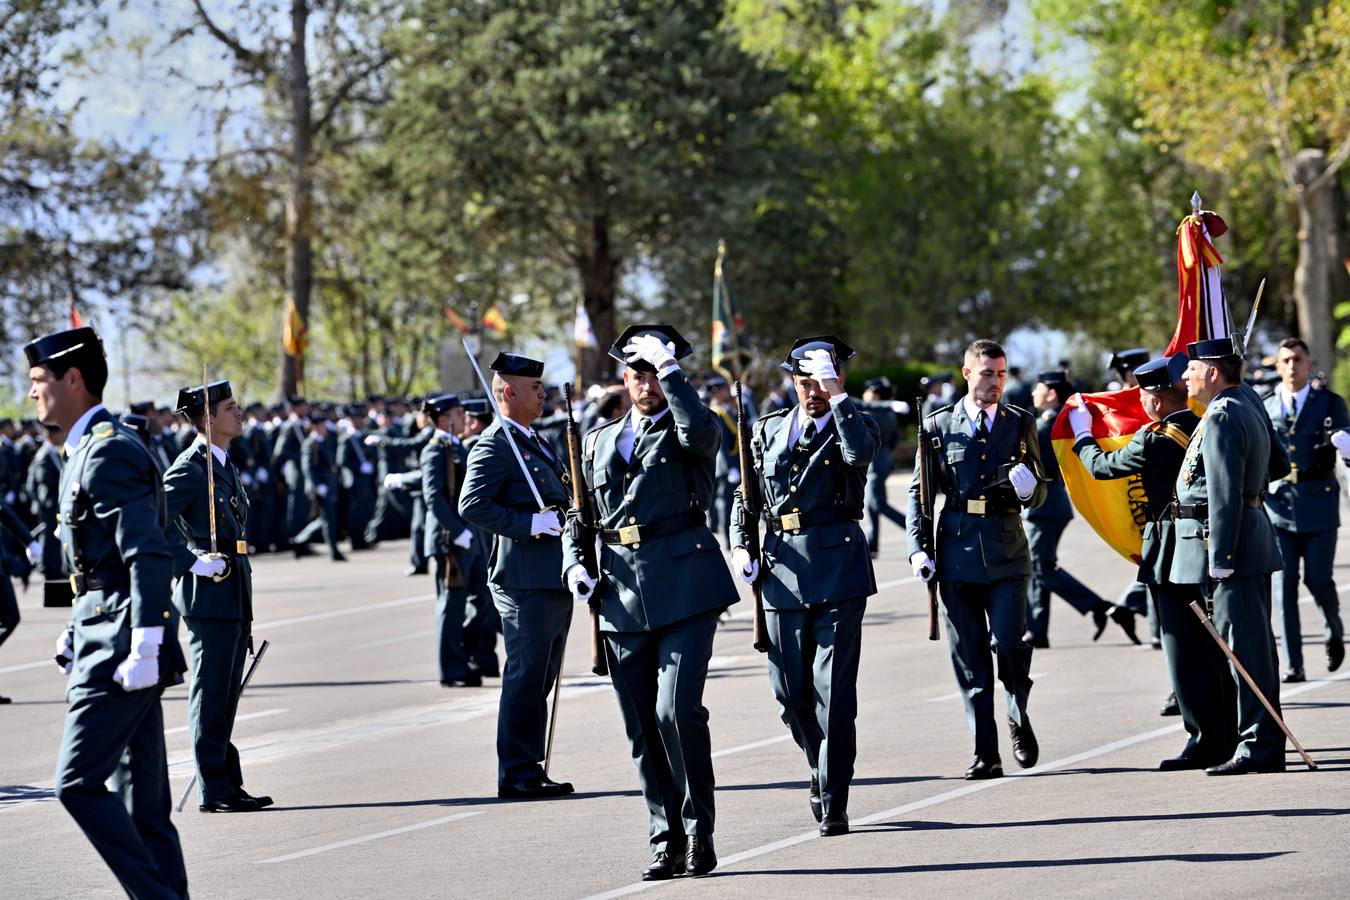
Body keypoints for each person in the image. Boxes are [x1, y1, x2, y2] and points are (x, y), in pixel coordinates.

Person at [563, 325, 737, 878]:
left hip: (686, 584)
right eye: (639, 375)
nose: (647, 386)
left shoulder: (692, 428)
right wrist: (574, 561)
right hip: (620, 592)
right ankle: (665, 837)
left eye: (654, 376)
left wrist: (672, 371)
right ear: (624, 380)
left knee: (675, 710)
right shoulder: (597, 439)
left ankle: (699, 830)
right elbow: (580, 513)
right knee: (642, 726)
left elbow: (703, 436)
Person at [26, 326, 189, 898]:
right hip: (106, 629)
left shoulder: (108, 450)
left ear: (73, 379)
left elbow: (146, 552)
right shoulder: (83, 450)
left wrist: (146, 642)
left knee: (76, 784)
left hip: (121, 642)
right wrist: (73, 625)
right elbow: (92, 563)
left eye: (39, 380)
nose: (32, 394)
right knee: (144, 805)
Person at [729, 335, 879, 838]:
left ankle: (834, 797)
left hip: (838, 568)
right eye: (805, 379)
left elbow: (859, 455)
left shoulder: (853, 422)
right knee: (789, 694)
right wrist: (741, 545)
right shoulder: (768, 429)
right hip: (781, 569)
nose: (812, 389)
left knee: (833, 693)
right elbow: (744, 493)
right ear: (791, 381)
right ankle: (818, 763)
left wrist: (839, 396)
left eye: (822, 379)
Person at [1069, 354, 1236, 769]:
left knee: (1182, 649)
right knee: (1213, 647)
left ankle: (1203, 739)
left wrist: (1080, 434)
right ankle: (1227, 733)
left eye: (1143, 395)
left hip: (1170, 551)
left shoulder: (1155, 437)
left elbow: (1101, 466)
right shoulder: (1200, 427)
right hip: (1205, 547)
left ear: (1157, 401)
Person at [906, 339, 1047, 779]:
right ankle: (985, 751)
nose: (996, 382)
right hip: (956, 552)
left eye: (1002, 374)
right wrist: (917, 548)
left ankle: (1017, 714)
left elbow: (1041, 490)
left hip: (1006, 551)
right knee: (970, 659)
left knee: (1008, 643)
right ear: (968, 374)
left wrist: (1028, 490)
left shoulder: (1021, 423)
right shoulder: (937, 426)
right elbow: (920, 492)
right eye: (988, 373)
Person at [459, 352, 575, 800]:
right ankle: (517, 773)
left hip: (552, 576)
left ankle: (529, 765)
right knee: (525, 676)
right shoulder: (494, 444)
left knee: (541, 676)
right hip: (523, 579)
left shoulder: (535, 441)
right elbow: (473, 504)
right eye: (534, 388)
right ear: (508, 392)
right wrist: (527, 525)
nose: (543, 394)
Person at [1172, 336, 1286, 775]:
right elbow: (1277, 464)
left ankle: (1259, 746)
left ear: (1213, 372)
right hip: (1252, 537)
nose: (1185, 375)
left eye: (1192, 368)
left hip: (1233, 548)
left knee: (1246, 651)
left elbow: (1223, 494)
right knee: (1253, 648)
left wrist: (1220, 555)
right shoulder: (1246, 402)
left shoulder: (1222, 415)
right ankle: (1260, 741)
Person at [163, 380, 272, 812]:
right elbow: (155, 523)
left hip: (233, 587)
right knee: (209, 695)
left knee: (226, 693)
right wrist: (192, 560)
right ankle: (214, 789)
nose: (239, 412)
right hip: (208, 591)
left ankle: (227, 779)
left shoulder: (222, 463)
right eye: (230, 407)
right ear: (208, 419)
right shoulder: (191, 467)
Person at [1023, 371, 1138, 647]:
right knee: (1039, 567)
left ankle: (1098, 606)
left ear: (1051, 394)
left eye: (1037, 389)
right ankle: (1036, 631)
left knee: (1040, 567)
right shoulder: (1052, 422)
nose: (1032, 394)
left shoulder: (1044, 425)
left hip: (1045, 504)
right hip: (1050, 502)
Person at [1261, 337, 1350, 681]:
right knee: (1283, 588)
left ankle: (1333, 625)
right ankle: (1294, 664)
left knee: (1318, 578)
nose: (1291, 366)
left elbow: (1345, 436)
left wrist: (1343, 443)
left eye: (1297, 359)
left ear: (1309, 363)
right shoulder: (1266, 406)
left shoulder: (1329, 403)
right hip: (1278, 505)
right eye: (1285, 360)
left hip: (1319, 504)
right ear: (1277, 366)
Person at [419, 394, 485, 687]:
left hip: (467, 538)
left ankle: (469, 658)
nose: (464, 417)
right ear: (445, 418)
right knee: (451, 607)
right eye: (459, 413)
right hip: (450, 540)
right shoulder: (435, 450)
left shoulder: (456, 446)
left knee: (479, 602)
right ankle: (452, 669)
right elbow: (434, 498)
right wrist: (458, 531)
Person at [857, 377, 905, 558]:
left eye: (868, 391)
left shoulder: (874, 414)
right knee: (871, 503)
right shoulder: (889, 413)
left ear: (876, 394)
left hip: (876, 463)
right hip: (883, 459)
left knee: (878, 503)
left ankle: (912, 528)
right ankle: (872, 543)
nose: (865, 395)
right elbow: (895, 440)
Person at [295, 413, 346, 561]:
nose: (325, 428)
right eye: (322, 425)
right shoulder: (310, 444)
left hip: (328, 485)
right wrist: (317, 486)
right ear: (316, 427)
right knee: (328, 518)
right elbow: (308, 468)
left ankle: (299, 540)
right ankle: (333, 551)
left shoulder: (324, 441)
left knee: (326, 519)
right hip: (320, 488)